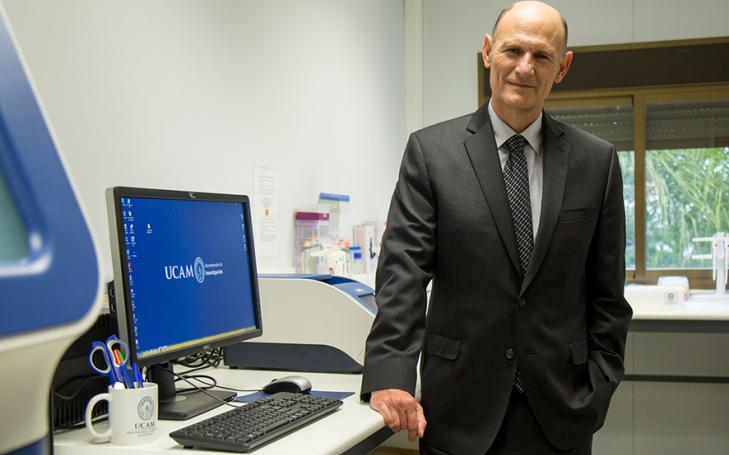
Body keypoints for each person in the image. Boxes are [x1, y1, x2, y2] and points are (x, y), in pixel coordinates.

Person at [360, 1, 633, 454]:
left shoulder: (596, 162)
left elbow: (608, 295)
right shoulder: (432, 153)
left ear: (562, 67)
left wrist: (599, 385)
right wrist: (390, 373)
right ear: (488, 52)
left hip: (562, 411)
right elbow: (402, 274)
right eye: (513, 50)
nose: (524, 67)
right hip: (459, 407)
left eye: (541, 56)